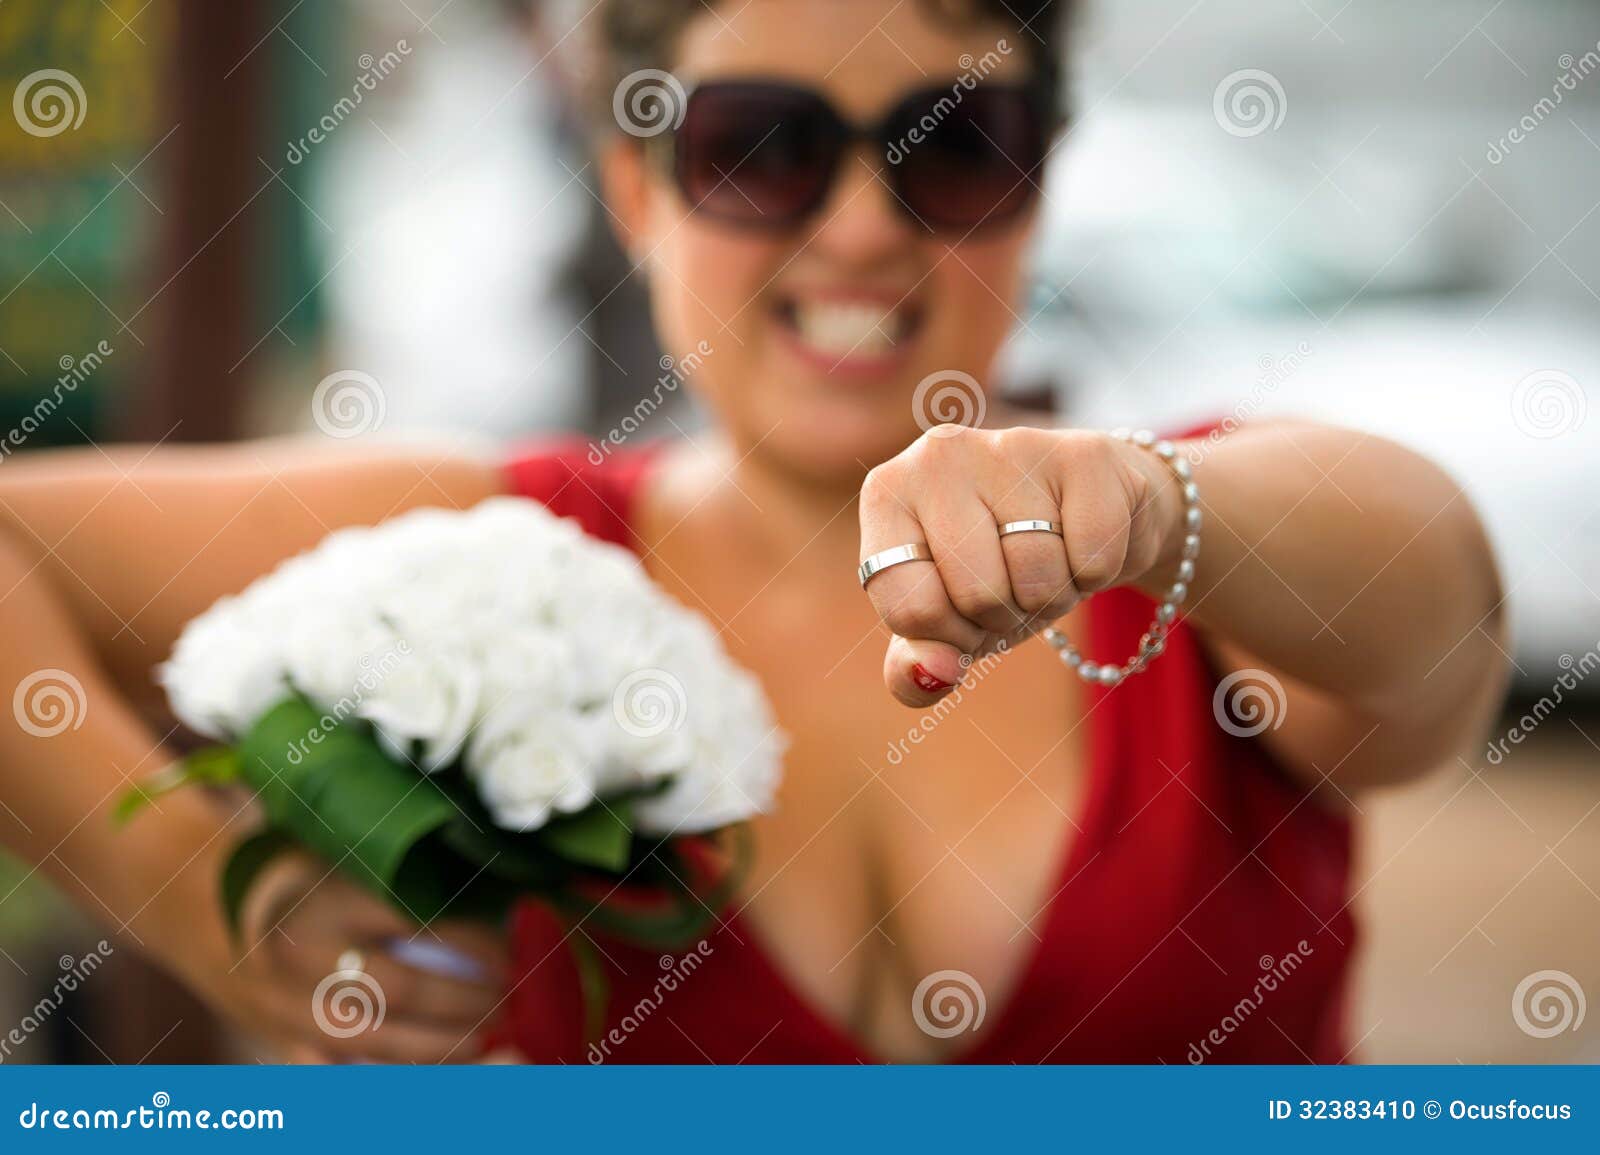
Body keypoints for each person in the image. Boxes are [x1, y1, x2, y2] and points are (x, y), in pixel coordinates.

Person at [0, 0, 1505, 1064]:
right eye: (759, 144)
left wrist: (1152, 505)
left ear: (1042, 180)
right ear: (635, 190)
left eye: (957, 140)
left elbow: (1445, 609)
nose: (859, 226)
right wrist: (202, 903)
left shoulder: (1199, 551)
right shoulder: (495, 549)